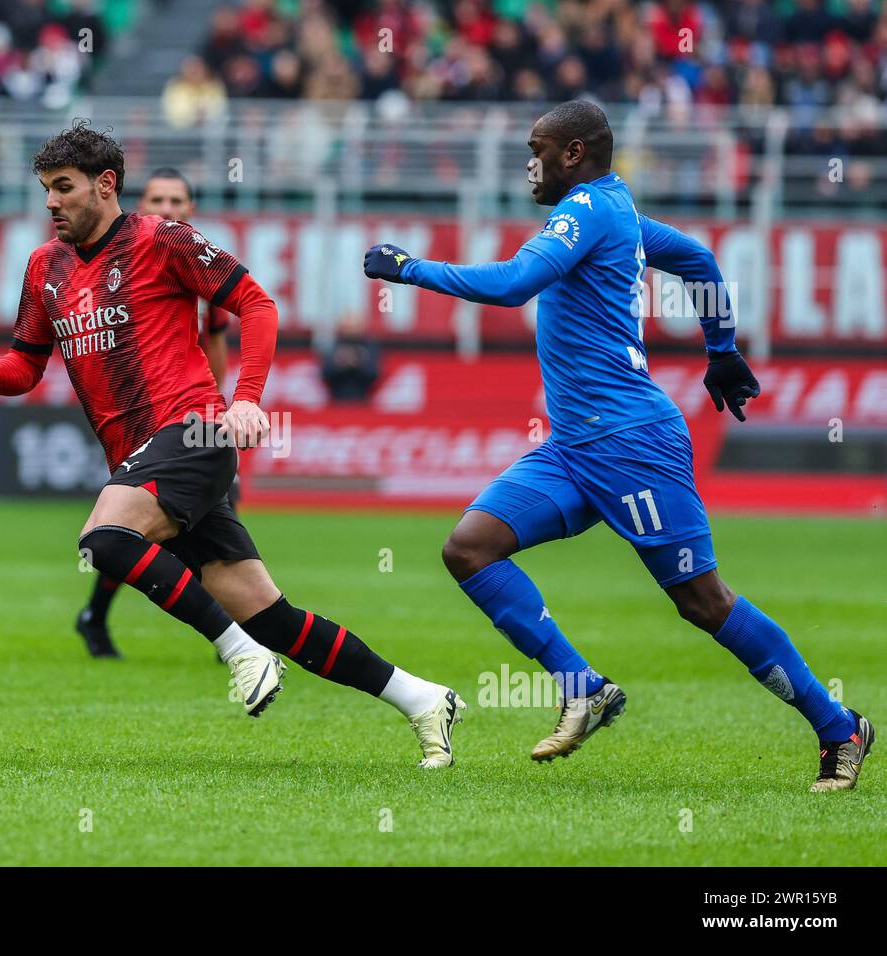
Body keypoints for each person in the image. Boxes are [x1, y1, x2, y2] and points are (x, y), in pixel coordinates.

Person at [364, 100, 873, 792]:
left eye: (537, 148)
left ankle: (838, 725)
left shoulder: (587, 211)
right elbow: (696, 258)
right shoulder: (614, 208)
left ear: (573, 153)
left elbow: (515, 285)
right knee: (469, 548)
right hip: (574, 446)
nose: (529, 163)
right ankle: (584, 687)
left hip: (633, 444)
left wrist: (408, 268)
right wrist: (719, 350)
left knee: (703, 602)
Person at [0, 122, 464, 768]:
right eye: (46, 190)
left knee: (104, 539)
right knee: (270, 614)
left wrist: (246, 396)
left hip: (192, 431)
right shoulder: (43, 267)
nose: (51, 202)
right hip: (144, 457)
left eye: (64, 188)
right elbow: (27, 364)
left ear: (105, 186)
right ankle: (422, 699)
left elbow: (257, 302)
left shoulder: (160, 240)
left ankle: (239, 653)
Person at [75, 166, 233, 659]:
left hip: (195, 420)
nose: (168, 210)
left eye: (177, 201)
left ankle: (232, 633)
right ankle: (230, 634)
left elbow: (217, 342)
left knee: (202, 518)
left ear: (191, 209)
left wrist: (218, 410)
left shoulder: (201, 263)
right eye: (158, 201)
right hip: (142, 421)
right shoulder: (130, 263)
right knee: (128, 530)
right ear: (141, 207)